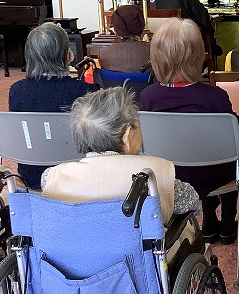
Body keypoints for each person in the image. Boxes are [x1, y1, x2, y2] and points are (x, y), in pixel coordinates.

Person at [140, 18, 238, 243]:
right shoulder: (215, 96)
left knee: (208, 154)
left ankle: (209, 222)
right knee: (226, 158)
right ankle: (226, 223)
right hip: (211, 173)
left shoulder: (148, 96)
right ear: (198, 55)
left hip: (168, 173)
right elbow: (230, 135)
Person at [40, 87, 199, 225]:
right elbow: (191, 200)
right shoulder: (154, 174)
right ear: (127, 136)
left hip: (77, 250)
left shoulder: (51, 177)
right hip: (141, 250)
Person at [9, 23, 96, 189]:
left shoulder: (16, 90)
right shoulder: (84, 91)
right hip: (76, 177)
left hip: (31, 176)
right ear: (68, 54)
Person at [98, 4, 151, 73]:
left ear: (116, 28)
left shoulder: (103, 53)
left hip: (114, 81)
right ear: (142, 23)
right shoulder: (154, 51)